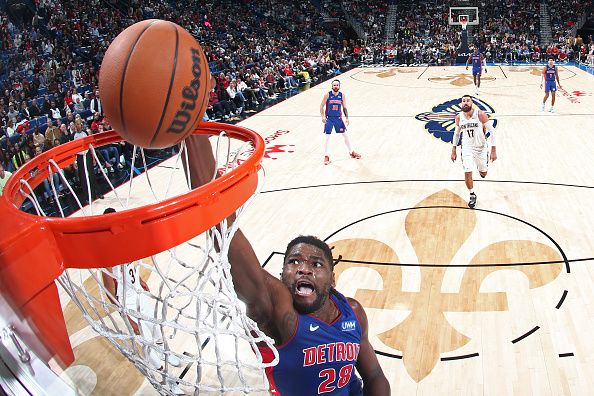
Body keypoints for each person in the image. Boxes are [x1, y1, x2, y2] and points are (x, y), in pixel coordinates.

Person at [184, 135, 390, 395]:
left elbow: (374, 376)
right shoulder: (277, 314)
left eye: (316, 264)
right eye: (294, 262)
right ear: (282, 276)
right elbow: (226, 235)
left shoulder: (353, 312)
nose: (304, 268)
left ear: (333, 279)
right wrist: (191, 133)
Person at [101, 207, 182, 394]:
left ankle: (166, 354)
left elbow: (130, 268)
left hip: (138, 293)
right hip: (127, 303)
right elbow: (110, 292)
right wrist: (126, 316)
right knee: (145, 342)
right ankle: (166, 381)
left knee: (156, 327)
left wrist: (140, 280)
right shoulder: (105, 255)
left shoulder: (125, 241)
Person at [451, 95, 497, 208]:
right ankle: (472, 194)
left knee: (483, 173)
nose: (465, 103)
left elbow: (492, 131)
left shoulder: (480, 114)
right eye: (463, 101)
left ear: (472, 103)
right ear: (461, 104)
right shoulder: (459, 117)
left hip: (481, 148)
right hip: (467, 148)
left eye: (468, 101)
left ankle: (481, 168)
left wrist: (493, 150)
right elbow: (456, 134)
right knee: (467, 171)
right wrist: (453, 150)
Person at [319, 79, 361, 165]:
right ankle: (326, 156)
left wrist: (347, 118)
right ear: (332, 86)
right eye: (334, 85)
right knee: (327, 137)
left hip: (338, 118)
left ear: (339, 86)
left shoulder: (342, 95)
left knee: (346, 135)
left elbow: (344, 107)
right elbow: (321, 105)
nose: (335, 86)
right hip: (329, 119)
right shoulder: (327, 95)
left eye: (337, 85)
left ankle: (351, 152)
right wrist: (323, 116)